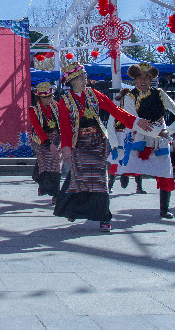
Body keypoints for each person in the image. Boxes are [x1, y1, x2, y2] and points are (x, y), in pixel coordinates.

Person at [55, 61, 151, 232]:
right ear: (73, 81)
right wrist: (66, 146)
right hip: (79, 143)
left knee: (100, 180)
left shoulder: (94, 94)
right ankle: (74, 209)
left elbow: (115, 110)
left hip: (97, 141)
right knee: (79, 178)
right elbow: (65, 126)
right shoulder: (65, 101)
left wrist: (136, 121)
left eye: (85, 76)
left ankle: (104, 217)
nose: (85, 79)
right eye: (82, 77)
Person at [116, 63, 175, 219]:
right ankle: (126, 175)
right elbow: (133, 121)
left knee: (165, 172)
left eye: (147, 78)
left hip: (160, 140)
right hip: (140, 137)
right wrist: (158, 132)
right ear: (135, 80)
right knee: (128, 165)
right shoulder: (130, 97)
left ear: (151, 80)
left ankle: (164, 209)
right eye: (140, 77)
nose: (143, 81)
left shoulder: (160, 94)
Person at [28, 82, 61, 202]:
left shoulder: (57, 106)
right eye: (45, 97)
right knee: (44, 164)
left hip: (56, 137)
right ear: (39, 98)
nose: (49, 99)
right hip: (40, 140)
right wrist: (48, 143)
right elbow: (37, 129)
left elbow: (63, 122)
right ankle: (42, 182)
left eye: (50, 96)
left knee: (55, 164)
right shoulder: (33, 110)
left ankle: (56, 194)